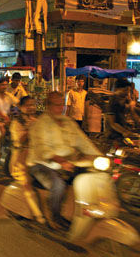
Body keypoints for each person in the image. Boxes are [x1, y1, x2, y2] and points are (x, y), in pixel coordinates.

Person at [27, 91, 103, 230]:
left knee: (93, 175)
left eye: (62, 104)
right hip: (41, 164)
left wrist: (99, 156)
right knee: (58, 185)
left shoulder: (69, 122)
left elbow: (84, 143)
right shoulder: (40, 124)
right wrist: (62, 162)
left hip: (68, 164)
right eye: (56, 105)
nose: (60, 108)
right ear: (48, 105)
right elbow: (43, 150)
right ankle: (54, 216)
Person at [9, 96, 45, 224]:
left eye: (33, 104)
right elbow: (19, 141)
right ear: (21, 107)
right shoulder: (17, 122)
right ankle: (38, 215)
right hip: (21, 157)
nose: (31, 107)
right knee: (27, 182)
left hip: (38, 155)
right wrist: (31, 128)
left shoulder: (38, 119)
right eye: (28, 105)